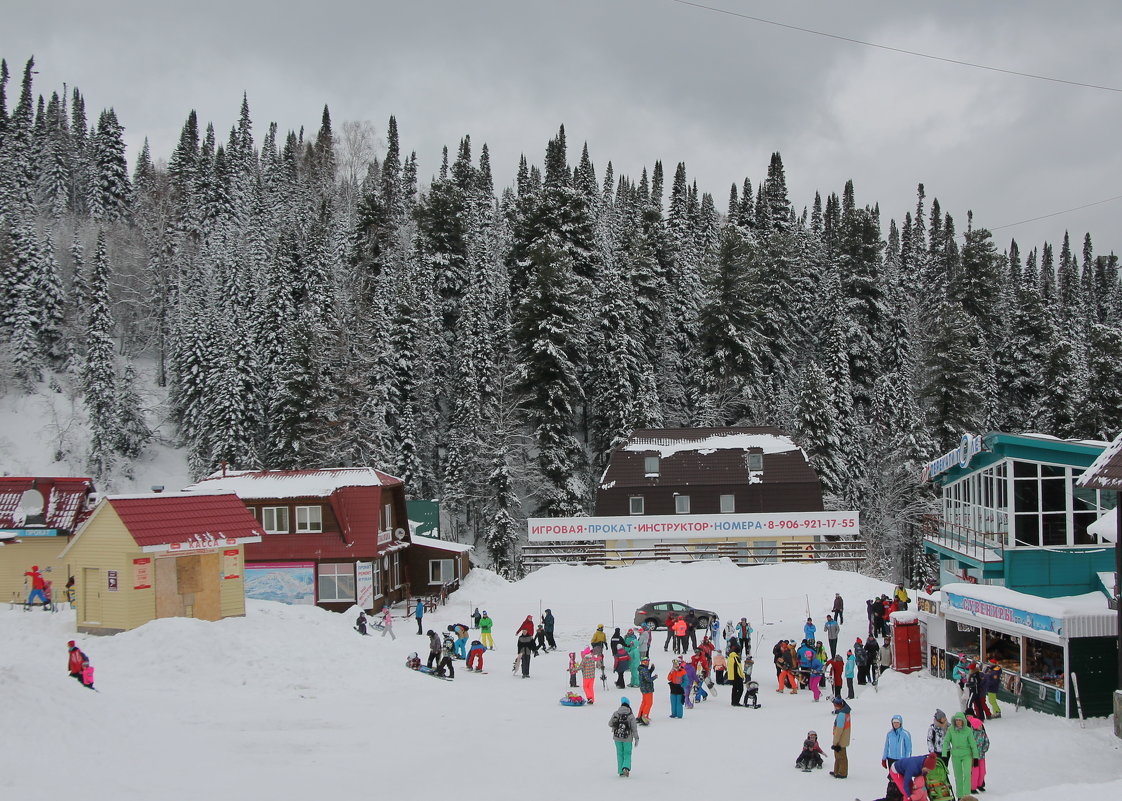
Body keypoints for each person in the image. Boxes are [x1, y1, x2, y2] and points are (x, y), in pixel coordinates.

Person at [941, 712, 979, 799]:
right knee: (958, 776)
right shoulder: (951, 730)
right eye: (956, 720)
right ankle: (960, 796)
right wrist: (944, 754)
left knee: (967, 774)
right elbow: (946, 741)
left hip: (966, 754)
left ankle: (966, 795)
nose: (958, 722)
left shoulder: (968, 730)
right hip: (956, 755)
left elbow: (973, 744)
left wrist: (976, 757)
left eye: (960, 720)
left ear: (963, 721)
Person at [608, 697, 640, 777]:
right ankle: (626, 767)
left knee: (619, 753)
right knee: (627, 753)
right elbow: (634, 728)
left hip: (617, 737)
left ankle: (620, 771)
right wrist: (636, 738)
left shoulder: (616, 713)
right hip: (627, 738)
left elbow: (610, 724)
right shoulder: (630, 715)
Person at [829, 697, 852, 778]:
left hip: (840, 740)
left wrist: (835, 742)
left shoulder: (842, 715)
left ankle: (842, 772)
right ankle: (837, 770)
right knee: (838, 756)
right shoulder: (845, 712)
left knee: (841, 757)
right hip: (844, 738)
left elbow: (839, 730)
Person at [967, 713, 990, 792]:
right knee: (975, 772)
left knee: (982, 771)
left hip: (982, 756)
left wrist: (984, 749)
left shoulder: (983, 733)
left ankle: (980, 785)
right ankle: (972, 787)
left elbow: (987, 742)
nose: (981, 727)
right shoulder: (971, 734)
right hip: (974, 758)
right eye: (979, 725)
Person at [637, 657, 656, 725]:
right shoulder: (644, 670)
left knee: (644, 703)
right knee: (649, 703)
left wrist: (651, 669)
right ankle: (644, 716)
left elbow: (647, 674)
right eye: (647, 661)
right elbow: (648, 679)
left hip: (644, 689)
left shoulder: (643, 669)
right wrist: (654, 677)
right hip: (647, 689)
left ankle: (640, 716)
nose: (648, 663)